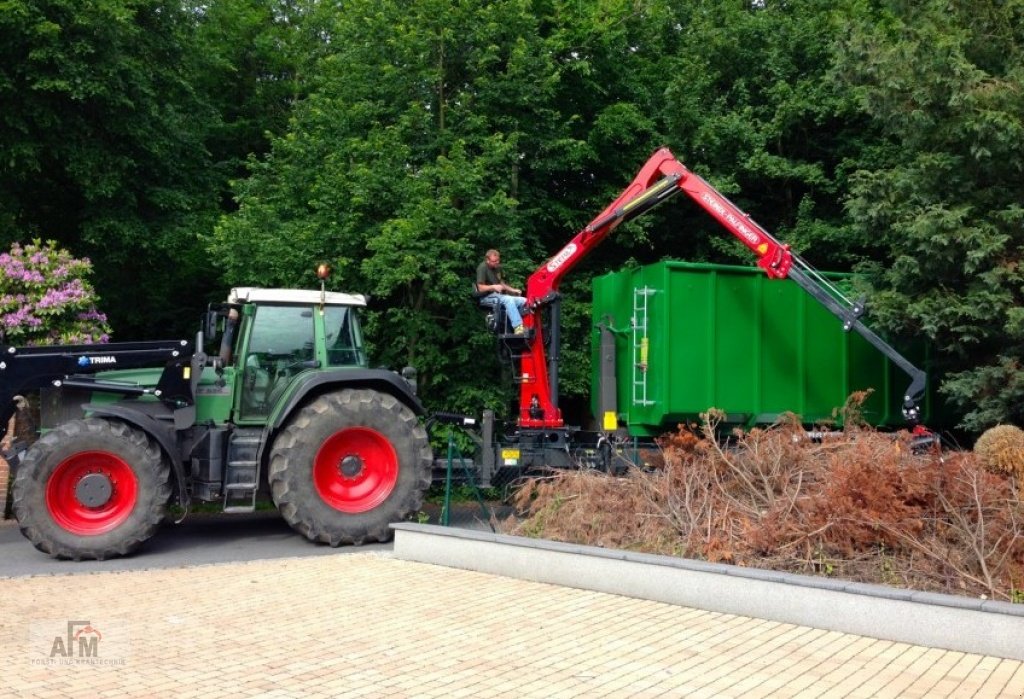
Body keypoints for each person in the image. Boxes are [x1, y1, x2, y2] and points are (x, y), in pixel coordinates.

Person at [476, 249, 528, 334]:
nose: (497, 262)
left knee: (524, 301)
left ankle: (522, 325)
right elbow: (480, 288)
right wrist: (493, 286)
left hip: (498, 296)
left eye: (498, 260)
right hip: (486, 297)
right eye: (494, 261)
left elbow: (501, 283)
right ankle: (518, 327)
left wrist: (513, 290)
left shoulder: (498, 268)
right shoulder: (482, 268)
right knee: (508, 299)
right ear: (487, 260)